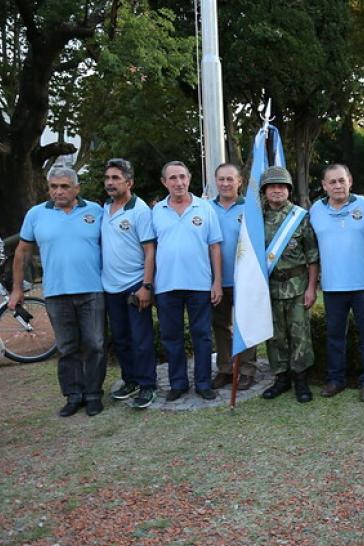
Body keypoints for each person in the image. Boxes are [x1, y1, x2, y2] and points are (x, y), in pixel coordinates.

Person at [9, 167, 106, 417]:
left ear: (77, 188)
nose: (58, 191)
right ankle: (73, 395)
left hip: (92, 290)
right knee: (66, 347)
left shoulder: (96, 211)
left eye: (64, 186)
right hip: (56, 293)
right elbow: (21, 252)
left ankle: (94, 394)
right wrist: (17, 289)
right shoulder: (36, 214)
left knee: (94, 344)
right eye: (53, 186)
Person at [310, 164, 364, 402]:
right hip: (333, 287)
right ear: (324, 186)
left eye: (341, 180)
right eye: (332, 182)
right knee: (334, 336)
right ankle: (336, 379)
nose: (337, 186)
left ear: (350, 181)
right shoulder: (315, 210)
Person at [152, 161, 223, 402]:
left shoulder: (205, 209)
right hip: (166, 285)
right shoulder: (156, 211)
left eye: (182, 177)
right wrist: (148, 284)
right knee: (171, 337)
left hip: (200, 284)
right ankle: (178, 383)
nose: (178, 182)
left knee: (202, 335)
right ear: (164, 182)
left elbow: (215, 247)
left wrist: (217, 282)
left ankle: (203, 383)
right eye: (172, 178)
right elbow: (149, 250)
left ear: (189, 179)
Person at [101, 158, 158, 409]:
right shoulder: (104, 208)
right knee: (121, 338)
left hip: (135, 285)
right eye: (108, 178)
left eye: (116, 178)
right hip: (110, 286)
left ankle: (147, 385)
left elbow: (150, 251)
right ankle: (130, 380)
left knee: (140, 338)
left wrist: (146, 286)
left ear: (129, 182)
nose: (110, 183)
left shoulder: (140, 210)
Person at [259, 166, 319, 403]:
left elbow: (312, 256)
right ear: (264, 190)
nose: (277, 190)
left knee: (300, 333)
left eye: (282, 186)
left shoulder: (300, 217)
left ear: (289, 190)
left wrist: (312, 287)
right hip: (269, 287)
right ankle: (281, 377)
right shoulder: (255, 219)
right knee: (275, 335)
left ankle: (301, 378)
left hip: (297, 285)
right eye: (272, 186)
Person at [209, 163, 258, 391]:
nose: (226, 184)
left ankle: (246, 369)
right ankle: (226, 368)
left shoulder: (250, 209)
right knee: (220, 325)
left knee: (246, 325)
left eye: (230, 179)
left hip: (245, 279)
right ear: (216, 181)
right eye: (221, 179)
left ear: (240, 182)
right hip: (217, 279)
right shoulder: (206, 209)